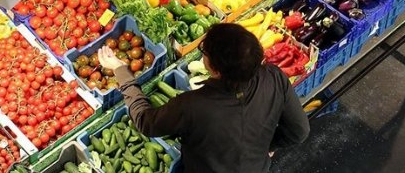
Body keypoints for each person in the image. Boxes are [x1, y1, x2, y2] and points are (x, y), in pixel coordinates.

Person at [98, 23, 310, 173]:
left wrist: (121, 71)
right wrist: (268, 147)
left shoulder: (192, 105)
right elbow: (300, 130)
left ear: (215, 69)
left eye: (204, 51)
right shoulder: (275, 77)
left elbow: (146, 122)